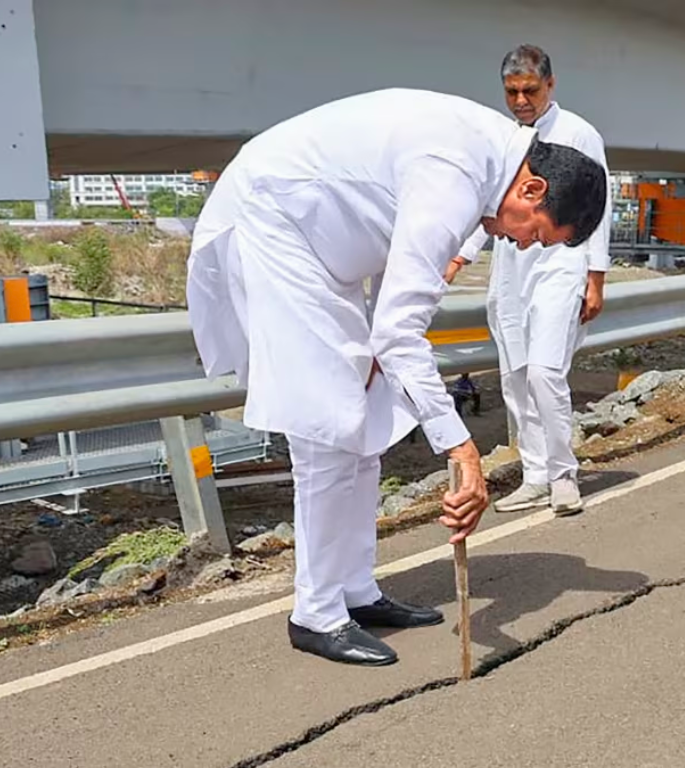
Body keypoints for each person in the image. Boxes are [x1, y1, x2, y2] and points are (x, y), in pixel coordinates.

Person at [186, 88, 607, 667]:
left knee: (367, 421)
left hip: (327, 245)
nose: (521, 243)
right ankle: (315, 613)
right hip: (274, 224)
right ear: (532, 189)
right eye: (536, 232)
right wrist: (462, 449)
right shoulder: (455, 177)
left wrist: (386, 365)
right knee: (329, 430)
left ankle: (355, 591)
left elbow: (400, 298)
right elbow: (397, 328)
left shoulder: (486, 165)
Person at [443, 44, 613, 517]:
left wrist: (595, 278)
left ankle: (563, 475)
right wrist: (460, 257)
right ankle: (535, 474)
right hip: (512, 265)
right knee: (515, 377)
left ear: (550, 85)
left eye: (530, 90)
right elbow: (486, 205)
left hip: (562, 261)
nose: (521, 100)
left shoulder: (580, 134)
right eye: (512, 91)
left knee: (544, 373)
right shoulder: (502, 138)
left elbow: (597, 209)